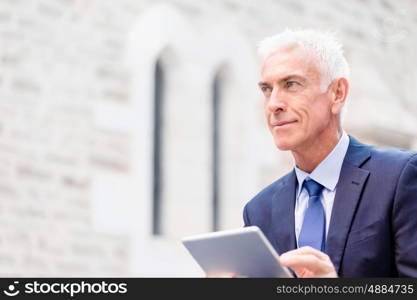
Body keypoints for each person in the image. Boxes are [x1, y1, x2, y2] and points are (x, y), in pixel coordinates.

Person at [243, 29, 417, 277]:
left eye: (291, 84)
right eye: (266, 89)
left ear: (338, 93)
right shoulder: (258, 211)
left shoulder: (400, 178)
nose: (273, 104)